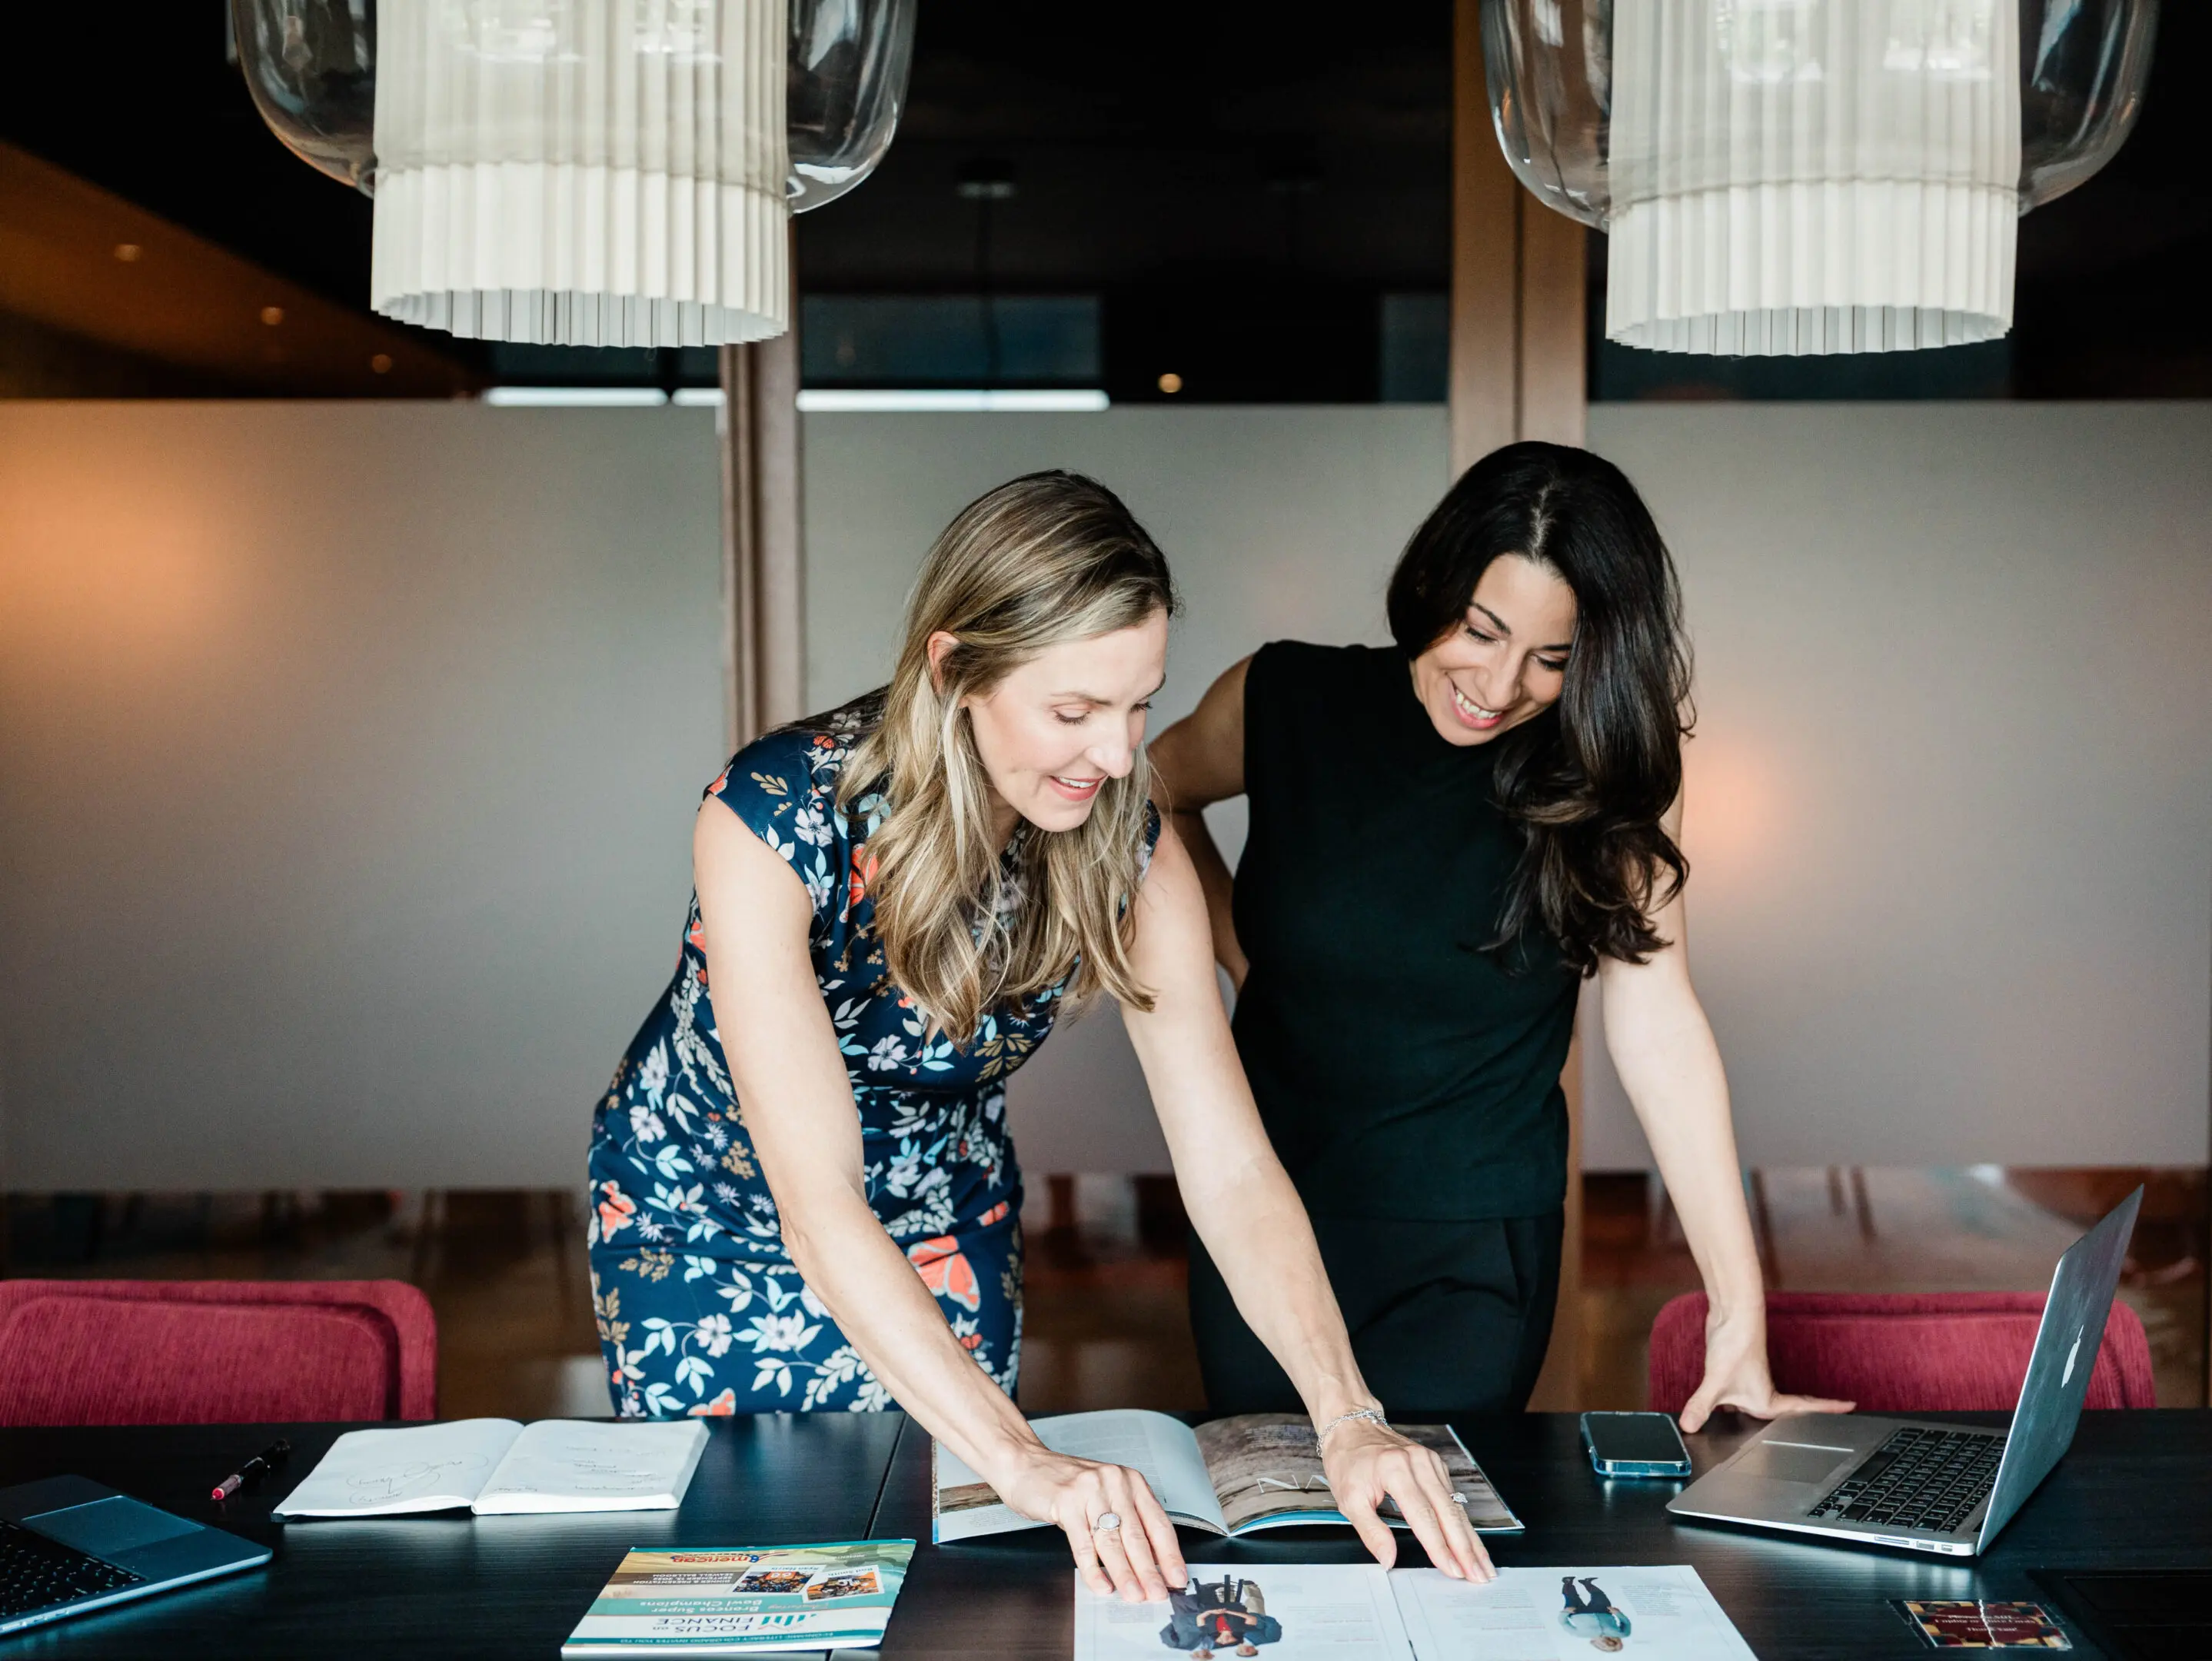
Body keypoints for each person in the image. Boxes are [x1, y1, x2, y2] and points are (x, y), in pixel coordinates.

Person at [587, 471, 1490, 1602]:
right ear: (952, 668)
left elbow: (1230, 1165)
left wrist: (1347, 1415)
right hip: (707, 1218)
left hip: (942, 1208)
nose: (1115, 757)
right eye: (1073, 712)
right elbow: (816, 1202)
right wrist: (1019, 1453)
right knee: (743, 1563)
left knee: (939, 1569)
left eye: (1139, 706)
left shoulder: (1130, 842)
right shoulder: (772, 817)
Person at [1149, 441, 1853, 1430]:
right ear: (1434, 582)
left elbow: (1658, 1025)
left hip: (1474, 1241)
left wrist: (1739, 1309)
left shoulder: (1606, 771)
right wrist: (1233, 952)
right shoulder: (1284, 700)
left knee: (1447, 1538)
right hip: (1263, 1206)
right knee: (1279, 1532)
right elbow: (1151, 797)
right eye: (1480, 631)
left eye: (1551, 659)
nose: (1499, 684)